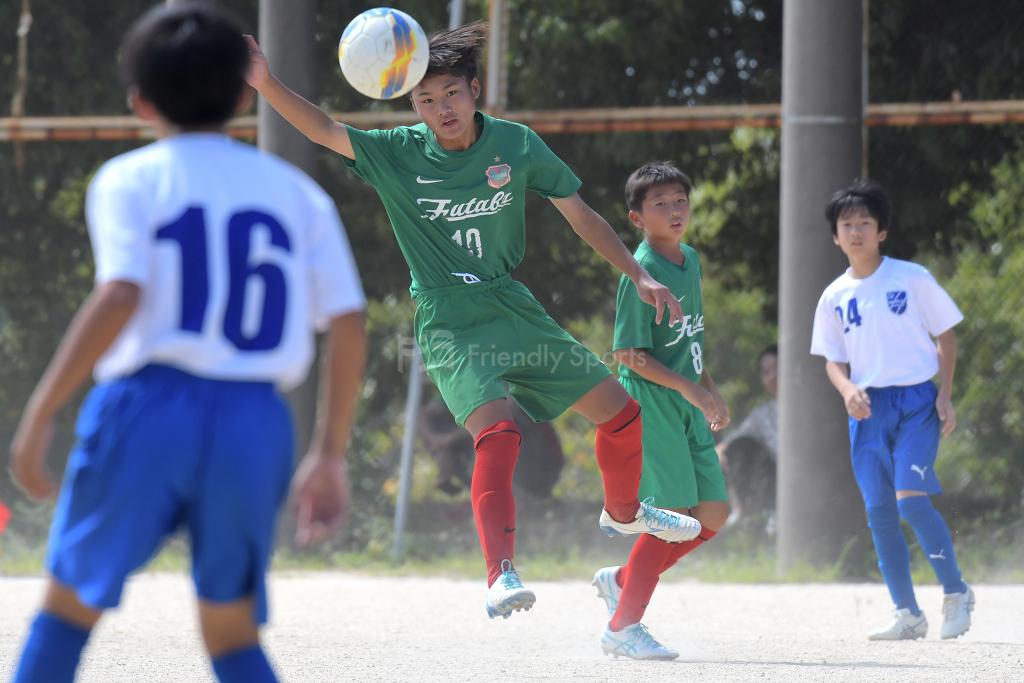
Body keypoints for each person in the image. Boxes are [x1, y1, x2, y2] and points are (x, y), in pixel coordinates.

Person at [245, 21, 702, 620]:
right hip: (449, 319)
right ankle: (499, 575)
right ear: (412, 105)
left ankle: (623, 513)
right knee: (499, 431)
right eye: (426, 100)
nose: (441, 108)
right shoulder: (398, 153)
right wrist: (264, 81)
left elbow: (580, 214)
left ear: (474, 89)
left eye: (451, 94)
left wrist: (637, 274)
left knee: (621, 415)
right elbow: (324, 128)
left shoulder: (515, 145)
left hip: (510, 303)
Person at [7, 5, 367, 682]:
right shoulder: (297, 194)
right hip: (254, 419)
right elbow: (347, 322)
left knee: (67, 609)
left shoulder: (130, 179)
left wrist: (41, 410)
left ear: (140, 102)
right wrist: (328, 451)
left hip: (148, 407)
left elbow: (120, 295)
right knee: (231, 630)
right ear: (241, 93)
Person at [810, 179, 973, 641]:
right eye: (847, 224)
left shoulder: (911, 277)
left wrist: (944, 394)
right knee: (880, 511)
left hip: (917, 401)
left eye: (866, 223)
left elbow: (946, 335)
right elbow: (832, 360)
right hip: (866, 409)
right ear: (835, 236)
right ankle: (908, 614)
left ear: (882, 232)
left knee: (910, 499)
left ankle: (957, 592)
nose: (856, 231)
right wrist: (846, 390)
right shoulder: (834, 296)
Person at [593, 162, 730, 659]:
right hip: (653, 403)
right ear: (636, 218)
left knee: (712, 516)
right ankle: (622, 628)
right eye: (660, 204)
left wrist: (707, 388)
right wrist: (690, 391)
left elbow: (688, 336)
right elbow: (629, 355)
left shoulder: (689, 259)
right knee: (670, 517)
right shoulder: (639, 273)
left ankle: (623, 580)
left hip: (687, 400)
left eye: (680, 200)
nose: (674, 211)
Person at [716, 344, 778, 525]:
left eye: (777, 369)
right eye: (766, 372)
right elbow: (733, 441)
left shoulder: (811, 408)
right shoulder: (763, 413)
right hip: (773, 480)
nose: (772, 377)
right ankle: (741, 514)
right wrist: (719, 453)